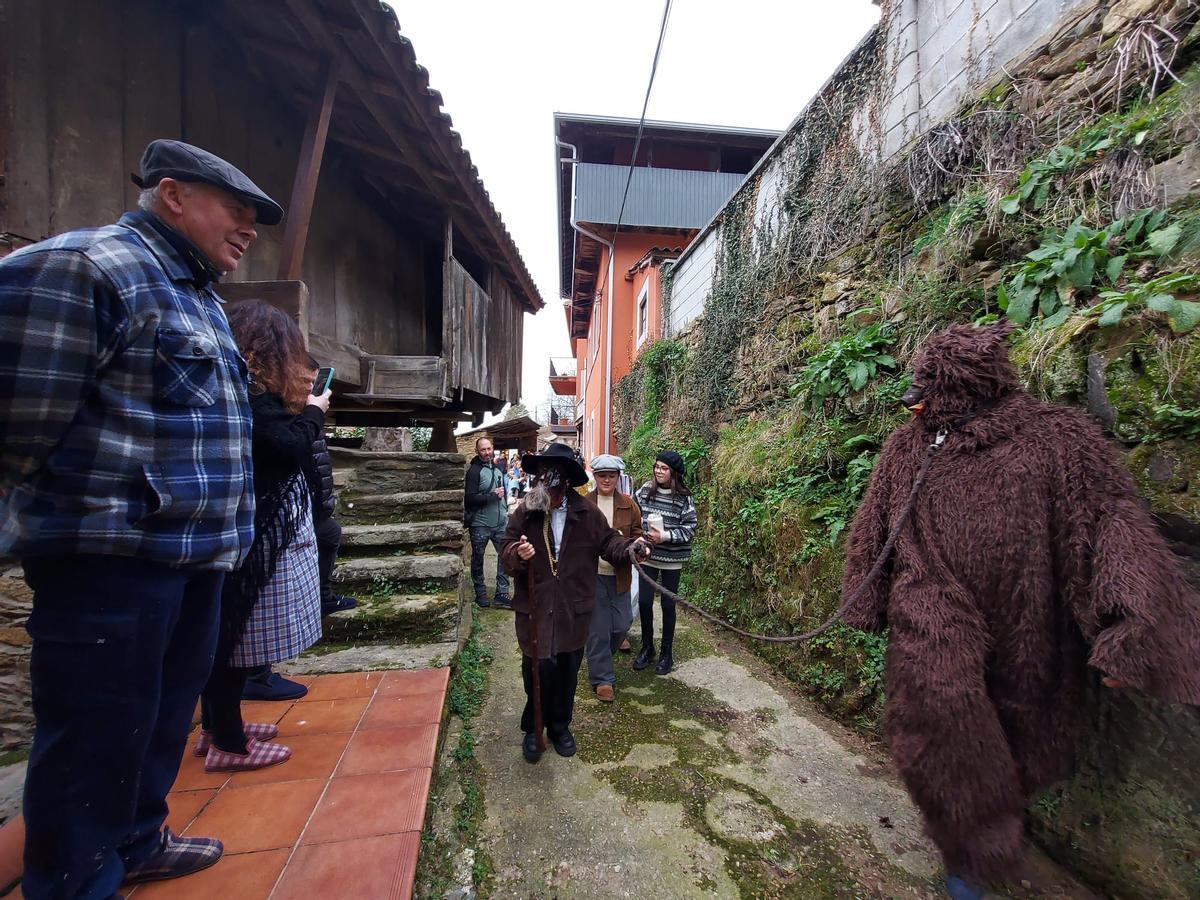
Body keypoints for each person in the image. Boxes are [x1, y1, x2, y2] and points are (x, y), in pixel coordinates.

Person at [0, 138, 282, 895]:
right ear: (172, 195)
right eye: (236, 209)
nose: (248, 228)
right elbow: (20, 422)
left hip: (190, 557)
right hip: (113, 559)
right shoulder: (89, 268)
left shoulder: (196, 294)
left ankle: (137, 839)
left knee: (156, 720)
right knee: (93, 737)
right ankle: (72, 883)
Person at [841, 322, 1200, 900]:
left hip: (1027, 618)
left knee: (1022, 732)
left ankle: (986, 831)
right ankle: (970, 862)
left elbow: (1110, 525)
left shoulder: (1056, 440)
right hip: (931, 610)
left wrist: (1131, 629)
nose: (914, 401)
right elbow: (874, 525)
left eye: (926, 388)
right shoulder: (908, 447)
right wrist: (866, 596)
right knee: (938, 720)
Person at [197, 300, 328, 772]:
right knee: (231, 641)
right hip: (250, 535)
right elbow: (287, 446)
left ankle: (217, 727)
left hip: (246, 528)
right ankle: (228, 744)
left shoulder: (244, 393)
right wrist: (314, 412)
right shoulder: (254, 398)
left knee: (228, 638)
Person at [500, 443, 650, 761]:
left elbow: (610, 541)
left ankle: (559, 727)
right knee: (537, 671)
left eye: (550, 478)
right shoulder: (526, 512)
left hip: (572, 609)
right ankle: (533, 728)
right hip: (536, 610)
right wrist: (518, 553)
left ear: (565, 481)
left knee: (567, 670)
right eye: (540, 476)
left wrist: (631, 548)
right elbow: (506, 549)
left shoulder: (586, 513)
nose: (543, 484)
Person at [242, 356, 354, 702]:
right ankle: (256, 675)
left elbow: (315, 459)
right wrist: (313, 413)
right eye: (308, 381)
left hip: (312, 506)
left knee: (330, 536)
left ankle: (322, 596)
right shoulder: (285, 415)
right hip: (273, 519)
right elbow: (294, 450)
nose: (313, 388)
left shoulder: (298, 414)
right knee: (261, 598)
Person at [584, 455, 643, 701]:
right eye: (602, 475)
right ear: (595, 477)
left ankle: (599, 659)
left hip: (620, 575)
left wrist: (640, 544)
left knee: (621, 624)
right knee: (598, 630)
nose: (607, 479)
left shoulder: (629, 505)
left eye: (611, 475)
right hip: (592, 575)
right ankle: (602, 678)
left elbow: (639, 532)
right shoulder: (585, 504)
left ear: (618, 477)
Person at [634, 451, 698, 675]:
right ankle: (647, 647)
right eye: (657, 467)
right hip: (648, 556)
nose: (658, 471)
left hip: (672, 559)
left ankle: (666, 653)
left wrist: (666, 536)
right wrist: (639, 537)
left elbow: (689, 529)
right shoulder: (643, 492)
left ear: (674, 473)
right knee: (643, 602)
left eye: (664, 468)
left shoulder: (683, 498)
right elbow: (634, 518)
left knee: (668, 605)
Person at [465, 436, 511, 609]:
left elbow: (503, 491)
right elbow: (469, 499)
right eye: (483, 450)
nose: (486, 452)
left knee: (505, 556)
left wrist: (505, 506)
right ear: (478, 451)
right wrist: (493, 496)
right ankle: (480, 592)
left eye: (489, 449)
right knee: (478, 559)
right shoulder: (474, 472)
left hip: (500, 523)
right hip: (480, 524)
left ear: (493, 448)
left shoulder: (499, 467)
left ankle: (502, 593)